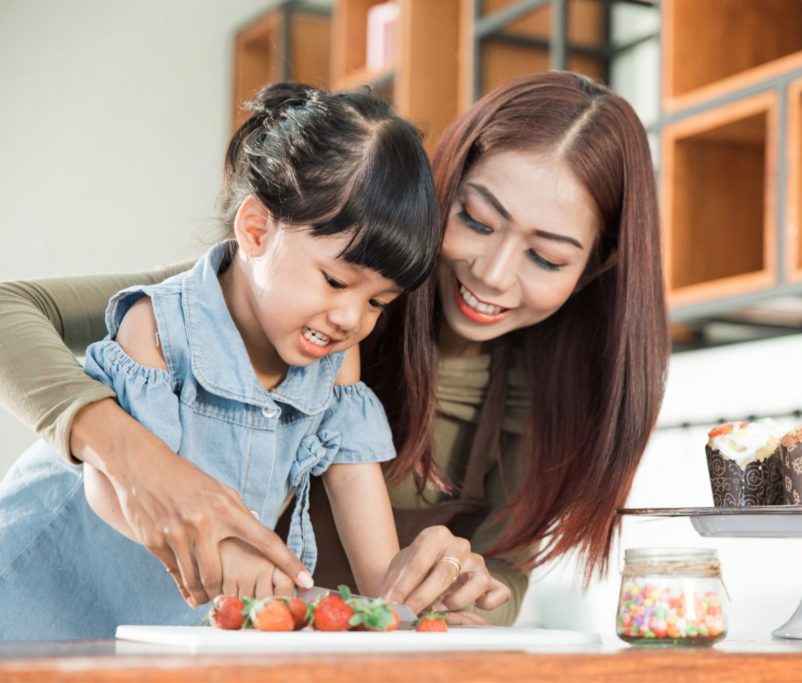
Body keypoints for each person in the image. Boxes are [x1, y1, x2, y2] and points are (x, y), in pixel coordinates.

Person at [0, 71, 667, 628]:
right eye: (475, 220)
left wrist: (441, 599)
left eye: (546, 256)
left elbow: (494, 562)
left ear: (596, 268)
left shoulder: (538, 388)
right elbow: (13, 310)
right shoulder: (290, 281)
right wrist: (138, 460)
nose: (492, 273)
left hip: (225, 632)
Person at [0, 82, 442, 640]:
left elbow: (362, 505)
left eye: (378, 302)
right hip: (29, 598)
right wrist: (228, 557)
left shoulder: (337, 362)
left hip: (154, 628)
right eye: (335, 281)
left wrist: (400, 600)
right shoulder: (159, 324)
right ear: (255, 230)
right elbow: (111, 486)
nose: (352, 319)